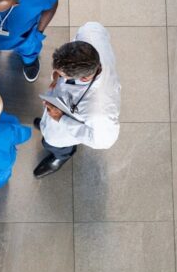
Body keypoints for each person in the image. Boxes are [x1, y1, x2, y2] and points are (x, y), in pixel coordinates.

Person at [33, 22, 121, 178]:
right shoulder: (90, 33)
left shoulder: (99, 111)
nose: (58, 75)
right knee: (48, 125)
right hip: (61, 105)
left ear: (85, 77)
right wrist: (57, 76)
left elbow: (102, 142)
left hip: (66, 127)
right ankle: (46, 125)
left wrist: (62, 119)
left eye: (63, 75)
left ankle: (61, 156)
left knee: (53, 142)